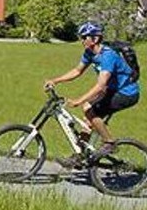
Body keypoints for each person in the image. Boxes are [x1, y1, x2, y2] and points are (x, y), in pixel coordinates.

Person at [44, 21, 140, 165]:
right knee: (88, 120)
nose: (82, 40)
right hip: (112, 90)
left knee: (88, 108)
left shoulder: (108, 56)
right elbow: (77, 71)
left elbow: (101, 86)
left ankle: (109, 143)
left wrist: (78, 100)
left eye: (84, 37)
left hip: (127, 93)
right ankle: (79, 155)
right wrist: (55, 80)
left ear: (95, 39)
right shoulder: (90, 53)